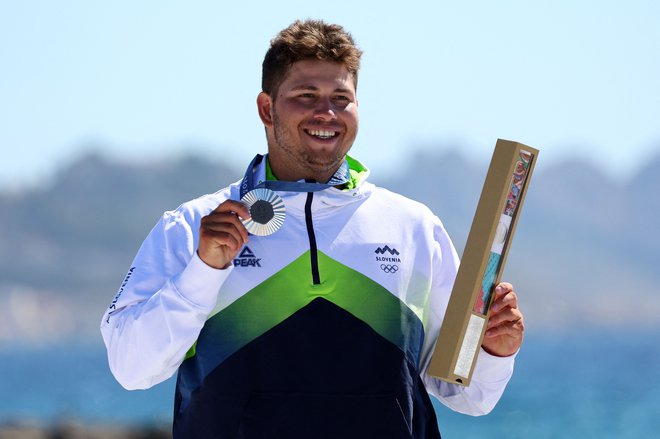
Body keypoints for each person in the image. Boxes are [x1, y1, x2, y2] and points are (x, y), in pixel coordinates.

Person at [101, 19, 524, 438]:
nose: (327, 113)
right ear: (267, 108)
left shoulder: (413, 226)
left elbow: (468, 394)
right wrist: (203, 270)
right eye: (307, 96)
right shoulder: (192, 226)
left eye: (342, 97)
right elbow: (130, 368)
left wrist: (493, 351)